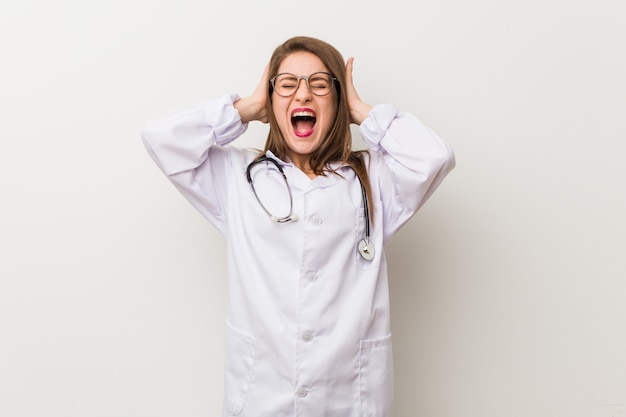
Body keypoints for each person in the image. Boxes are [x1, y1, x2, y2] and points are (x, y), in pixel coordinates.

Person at [142, 36, 455, 417]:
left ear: (336, 100)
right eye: (287, 84)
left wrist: (363, 113)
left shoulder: (373, 179)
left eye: (320, 84)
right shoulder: (237, 177)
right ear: (271, 101)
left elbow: (435, 157)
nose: (303, 95)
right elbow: (160, 139)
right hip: (262, 397)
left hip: (349, 399)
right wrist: (244, 109)